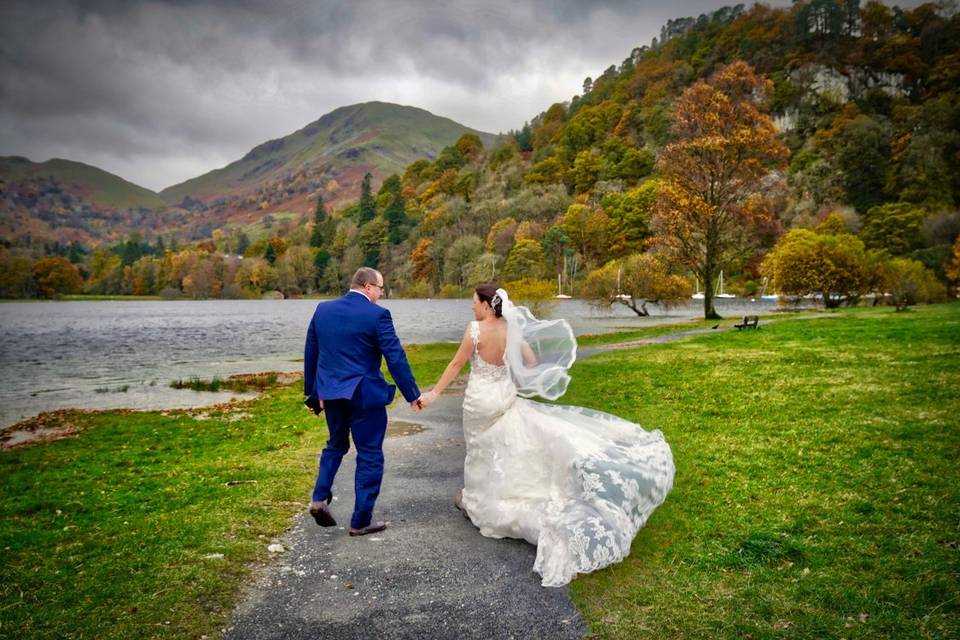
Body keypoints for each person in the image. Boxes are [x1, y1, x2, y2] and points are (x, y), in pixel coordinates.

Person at [418, 285, 675, 586]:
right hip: (502, 395)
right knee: (503, 442)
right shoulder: (510, 327)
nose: (471, 308)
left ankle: (479, 498)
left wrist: (434, 393)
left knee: (481, 448)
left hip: (480, 401)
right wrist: (507, 373)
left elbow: (456, 363)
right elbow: (528, 360)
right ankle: (484, 494)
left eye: (474, 303)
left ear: (487, 305)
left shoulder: (475, 330)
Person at [303, 267, 423, 536]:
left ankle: (319, 498)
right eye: (381, 288)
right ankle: (360, 521)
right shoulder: (378, 315)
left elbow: (311, 353)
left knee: (335, 445)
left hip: (332, 395)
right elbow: (395, 357)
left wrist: (312, 395)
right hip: (364, 397)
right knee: (369, 455)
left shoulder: (323, 310)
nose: (382, 293)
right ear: (368, 286)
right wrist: (412, 394)